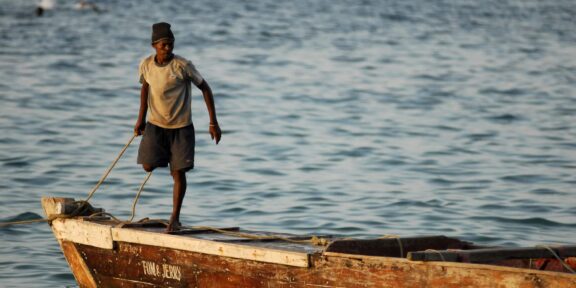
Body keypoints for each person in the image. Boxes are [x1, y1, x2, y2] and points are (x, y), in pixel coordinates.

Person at [134, 22, 221, 233]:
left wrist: (213, 122)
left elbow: (205, 88)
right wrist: (140, 120)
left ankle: (175, 218)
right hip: (155, 125)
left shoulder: (182, 65)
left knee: (178, 172)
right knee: (147, 165)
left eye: (171, 43)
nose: (168, 48)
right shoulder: (146, 65)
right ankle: (165, 158)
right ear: (154, 45)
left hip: (182, 127)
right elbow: (145, 88)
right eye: (164, 44)